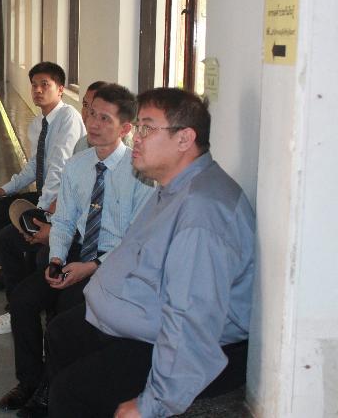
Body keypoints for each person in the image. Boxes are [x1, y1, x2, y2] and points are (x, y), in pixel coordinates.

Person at [46, 88, 256, 418]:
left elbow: (190, 321)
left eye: (146, 128)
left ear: (185, 139)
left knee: (70, 393)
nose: (137, 139)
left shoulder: (202, 213)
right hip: (138, 319)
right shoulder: (174, 187)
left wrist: (152, 404)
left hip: (167, 341)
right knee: (61, 334)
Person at [0, 84, 153, 414]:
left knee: (67, 310)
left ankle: (51, 392)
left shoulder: (140, 175)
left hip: (115, 264)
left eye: (105, 118)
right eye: (91, 114)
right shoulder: (77, 165)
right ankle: (29, 382)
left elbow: (136, 241)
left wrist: (90, 268)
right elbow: (65, 221)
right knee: (22, 300)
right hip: (77, 253)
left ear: (125, 128)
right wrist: (56, 258)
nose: (93, 123)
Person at [0, 63, 84, 318]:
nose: (38, 90)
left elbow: (58, 168)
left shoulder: (68, 118)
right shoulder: (39, 124)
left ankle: (19, 303)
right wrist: (7, 188)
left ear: (60, 89)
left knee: (9, 236)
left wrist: (42, 209)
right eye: (34, 85)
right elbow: (36, 164)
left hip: (61, 200)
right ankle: (6, 274)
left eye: (45, 85)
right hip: (46, 195)